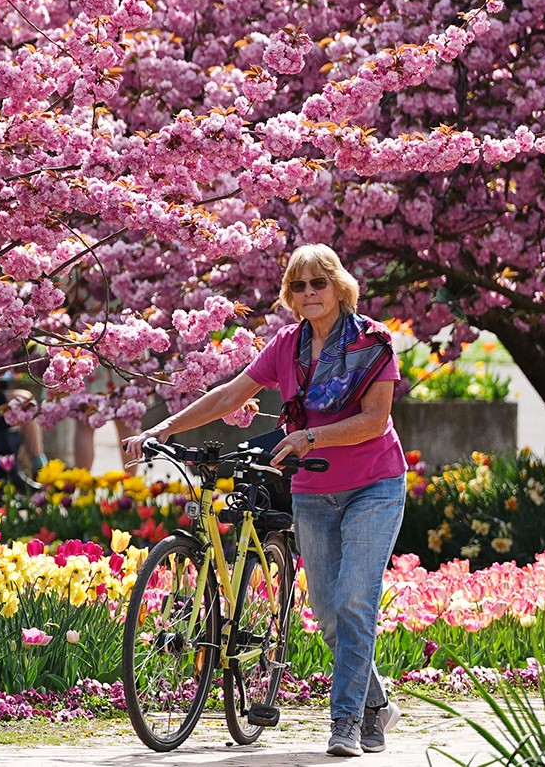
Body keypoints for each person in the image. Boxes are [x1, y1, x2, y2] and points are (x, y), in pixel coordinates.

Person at [123, 245, 406, 757]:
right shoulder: (287, 346)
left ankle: (345, 722)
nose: (309, 294)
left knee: (355, 600)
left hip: (374, 485)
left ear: (339, 287)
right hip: (313, 491)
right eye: (298, 286)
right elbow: (231, 394)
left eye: (318, 283)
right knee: (326, 610)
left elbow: (374, 421)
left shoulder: (373, 342)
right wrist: (162, 426)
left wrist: (310, 438)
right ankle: (376, 703)